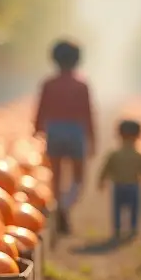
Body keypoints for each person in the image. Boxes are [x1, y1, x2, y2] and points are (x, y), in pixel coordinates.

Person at [34, 40, 95, 234]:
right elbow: (88, 113)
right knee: (79, 177)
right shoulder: (81, 84)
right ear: (77, 60)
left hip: (54, 130)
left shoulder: (48, 84)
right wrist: (92, 138)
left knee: (57, 175)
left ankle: (59, 205)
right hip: (76, 131)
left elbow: (41, 108)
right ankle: (65, 206)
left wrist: (37, 128)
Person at [98, 119, 141, 241]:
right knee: (134, 208)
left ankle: (117, 229)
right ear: (138, 136)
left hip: (119, 186)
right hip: (133, 187)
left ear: (119, 135)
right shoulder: (139, 156)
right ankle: (132, 228)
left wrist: (101, 182)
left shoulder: (114, 155)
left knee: (117, 208)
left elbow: (106, 169)